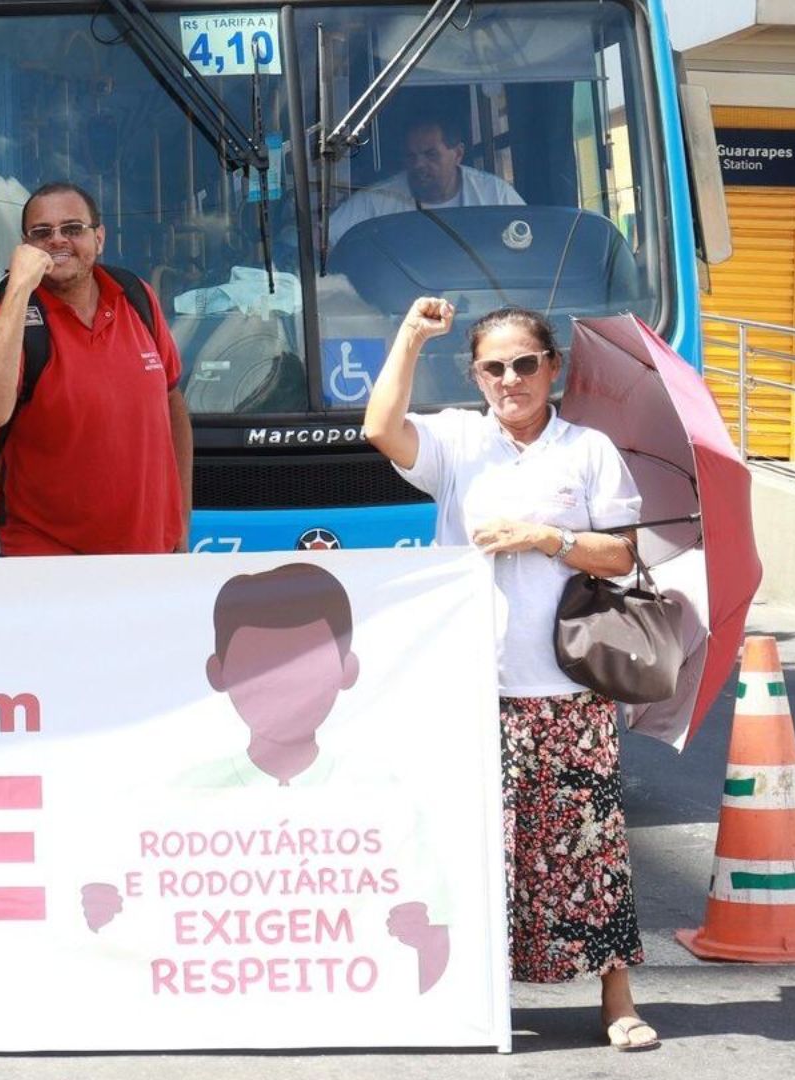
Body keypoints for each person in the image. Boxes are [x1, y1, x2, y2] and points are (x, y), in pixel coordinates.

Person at [364, 297, 657, 1052]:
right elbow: (378, 429)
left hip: (569, 689)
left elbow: (622, 556)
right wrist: (408, 336)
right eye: (493, 367)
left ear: (552, 368)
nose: (510, 379)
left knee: (589, 849)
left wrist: (546, 537)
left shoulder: (588, 450)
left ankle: (616, 1001)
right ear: (475, 375)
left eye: (525, 363)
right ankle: (473, 997)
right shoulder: (458, 441)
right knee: (474, 850)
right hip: (474, 690)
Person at [0, 181, 192, 556]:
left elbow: (172, 402)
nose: (58, 240)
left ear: (99, 238)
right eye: (41, 233)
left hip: (149, 557)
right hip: (50, 566)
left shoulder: (137, 297)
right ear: (25, 247)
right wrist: (18, 287)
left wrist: (181, 519)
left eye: (72, 229)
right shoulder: (6, 321)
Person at [196, 562, 360, 787]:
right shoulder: (187, 791)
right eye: (260, 666)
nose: (284, 682)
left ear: (348, 670)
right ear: (217, 673)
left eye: (307, 663)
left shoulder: (379, 789)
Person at [327, 111, 525, 243]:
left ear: (458, 154)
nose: (419, 165)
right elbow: (327, 239)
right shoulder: (376, 201)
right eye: (411, 156)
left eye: (431, 155)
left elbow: (530, 239)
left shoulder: (496, 195)